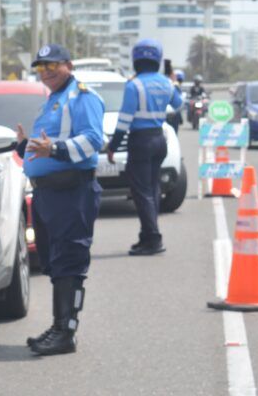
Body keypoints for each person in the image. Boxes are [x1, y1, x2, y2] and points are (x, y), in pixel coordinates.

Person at [20, 44, 104, 356]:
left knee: (69, 261)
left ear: (68, 64)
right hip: (48, 193)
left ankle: (65, 331)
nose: (46, 73)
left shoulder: (82, 97)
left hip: (71, 192)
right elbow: (44, 147)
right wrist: (22, 149)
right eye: (40, 68)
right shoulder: (53, 100)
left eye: (52, 65)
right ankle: (58, 326)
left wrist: (53, 151)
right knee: (54, 261)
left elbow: (94, 140)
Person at [107, 39, 182, 256]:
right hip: (159, 139)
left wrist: (112, 146)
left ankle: (154, 239)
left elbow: (123, 120)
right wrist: (172, 84)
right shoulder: (166, 83)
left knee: (141, 193)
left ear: (136, 60)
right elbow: (178, 106)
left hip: (140, 141)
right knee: (152, 189)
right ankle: (146, 236)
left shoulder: (134, 85)